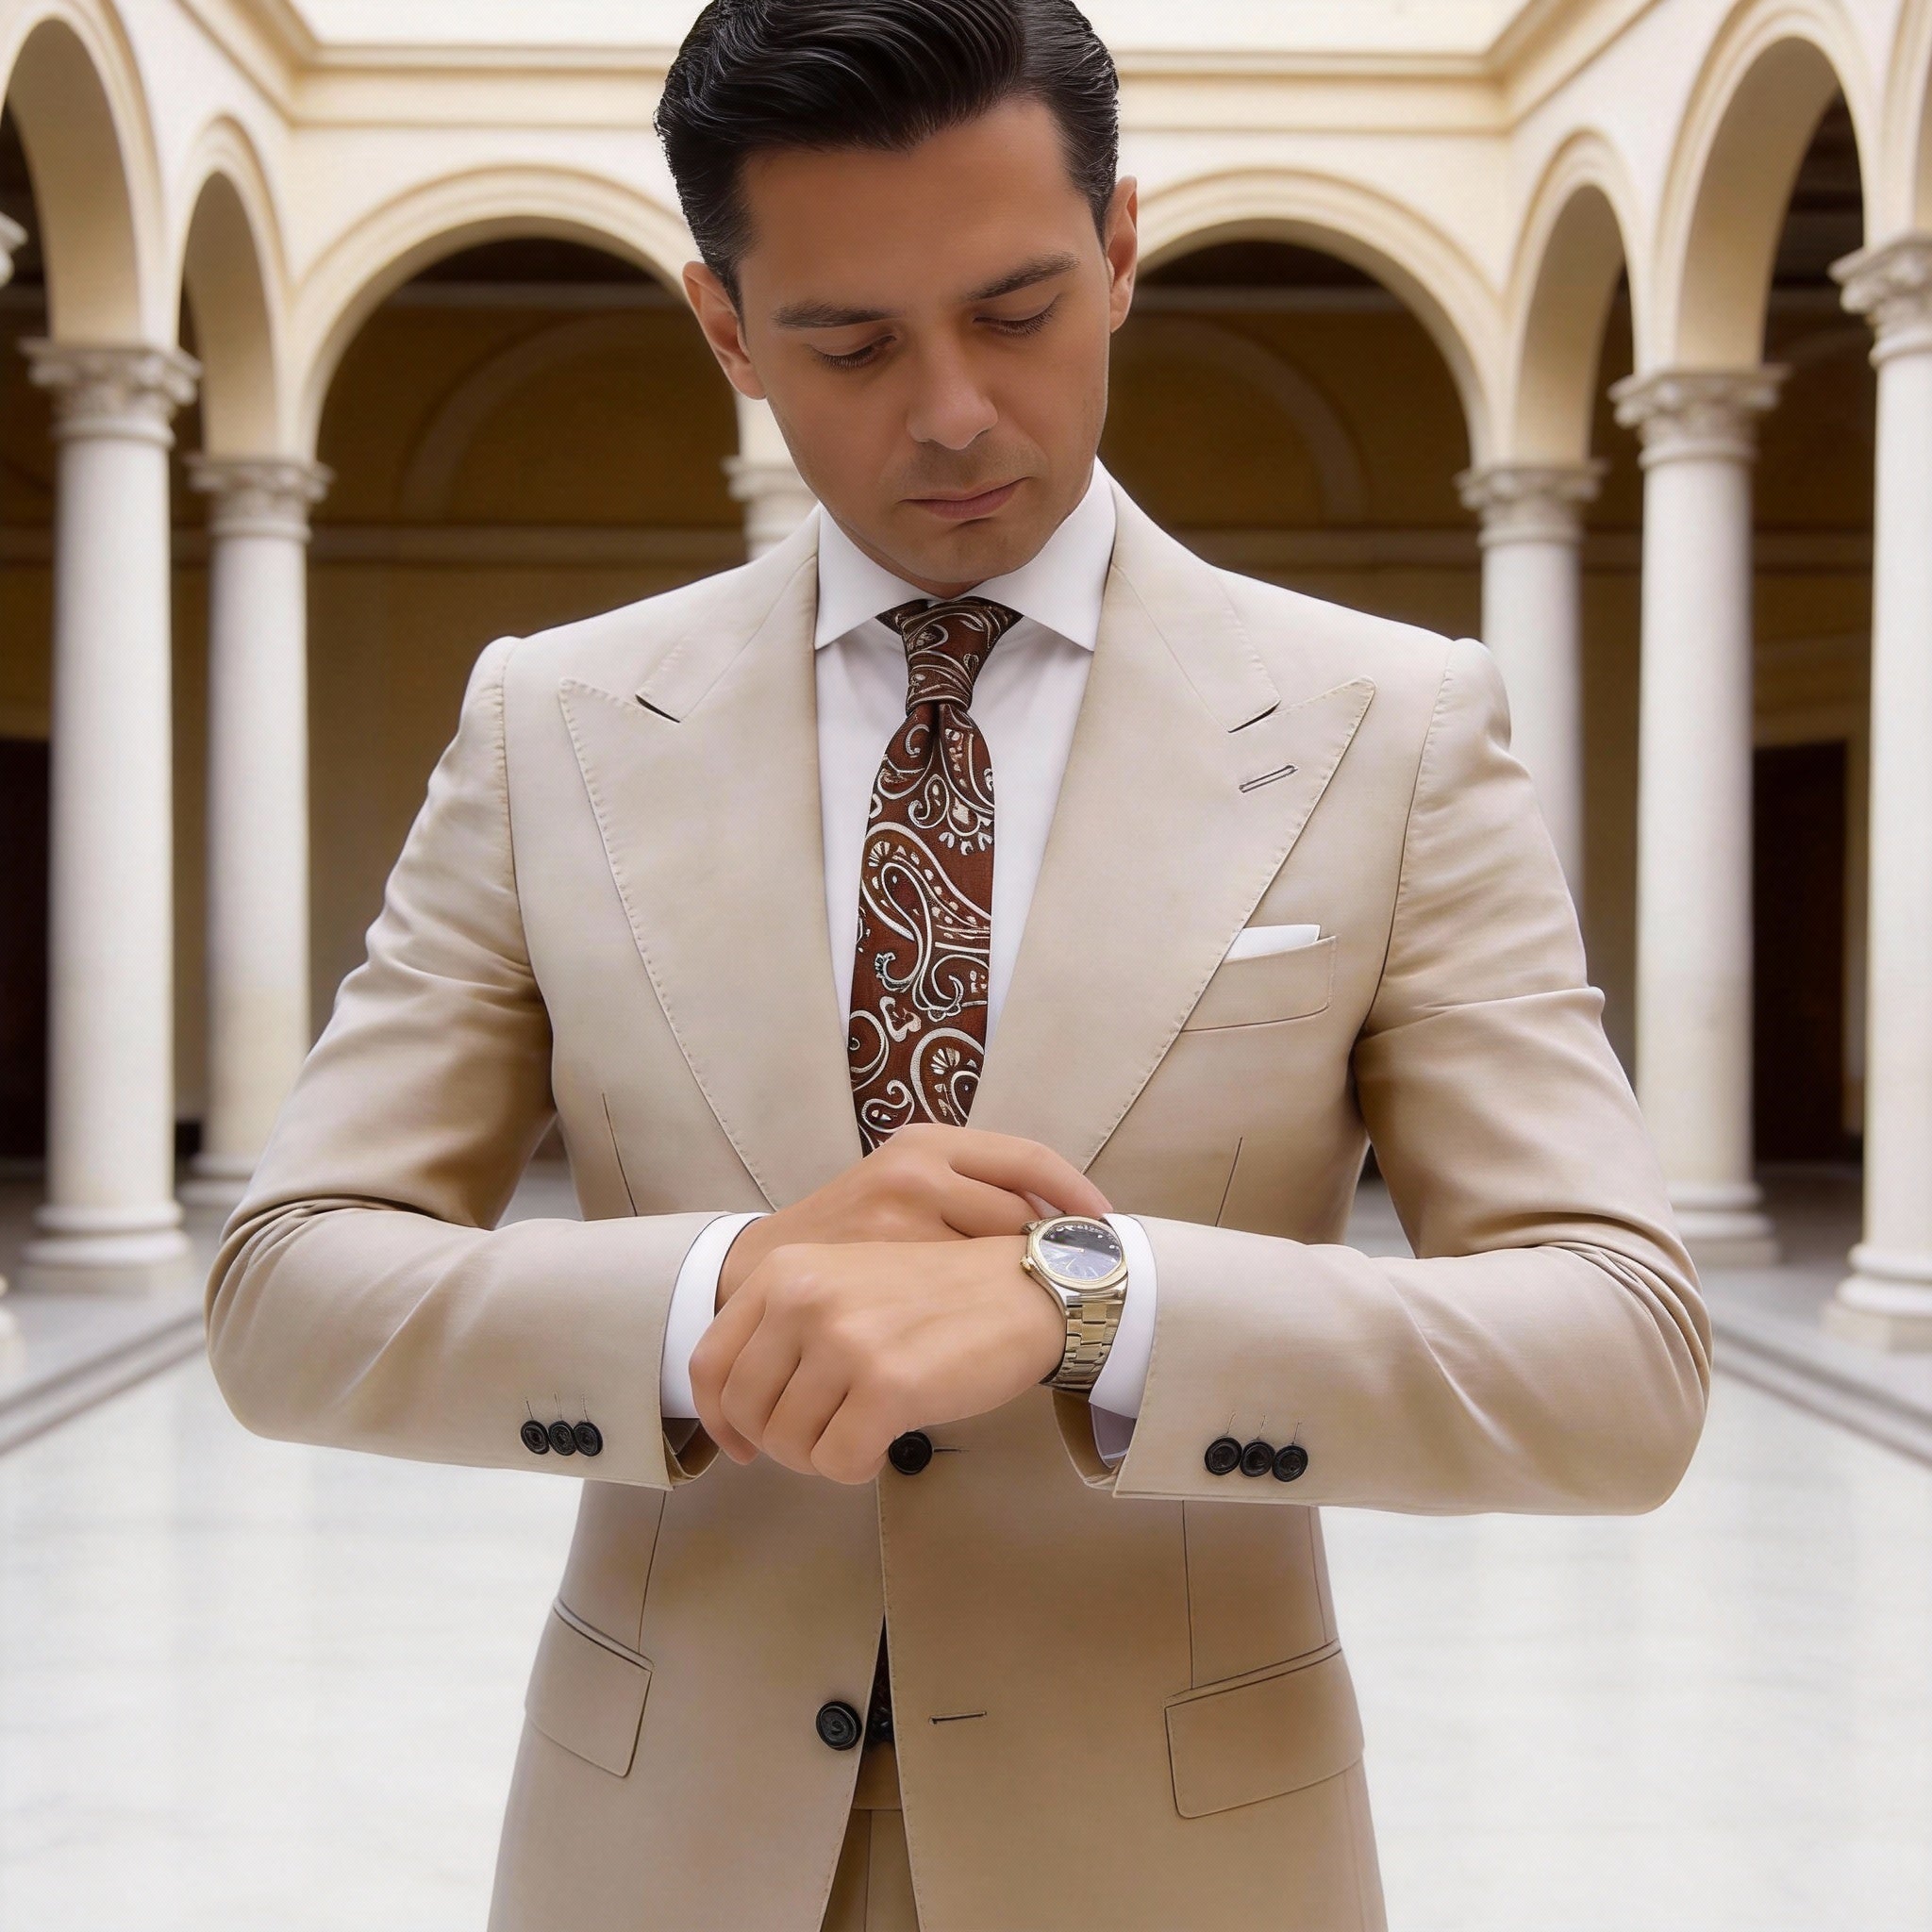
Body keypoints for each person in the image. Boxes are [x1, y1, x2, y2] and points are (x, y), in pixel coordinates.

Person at [205, 2, 1710, 1926]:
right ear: (726, 329)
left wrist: (1090, 1303)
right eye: (846, 340)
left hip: (1181, 1859)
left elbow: (1621, 1357)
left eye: (1017, 309)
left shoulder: (1389, 729)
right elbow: (285, 1290)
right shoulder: (553, 724)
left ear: (1122, 251)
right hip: (655, 1853)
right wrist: (725, 1290)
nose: (953, 413)